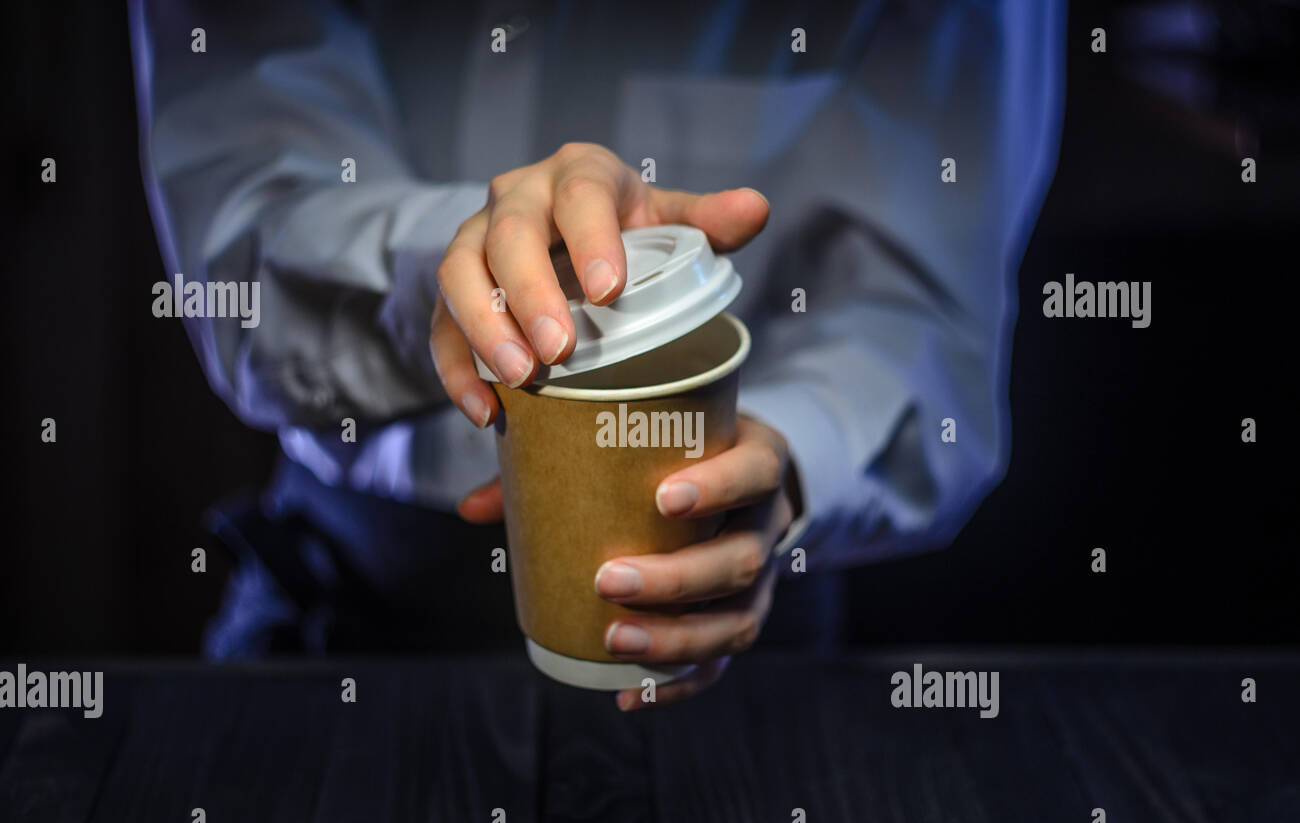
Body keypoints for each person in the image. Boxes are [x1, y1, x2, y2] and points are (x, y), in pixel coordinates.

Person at [128, 0, 1065, 707]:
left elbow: (924, 304)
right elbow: (243, 228)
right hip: (349, 595)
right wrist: (455, 270)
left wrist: (787, 462)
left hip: (750, 604)